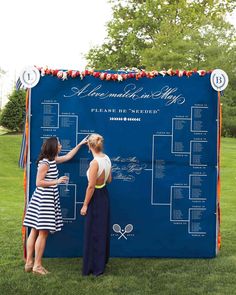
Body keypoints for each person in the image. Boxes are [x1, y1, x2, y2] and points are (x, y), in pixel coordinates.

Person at [23, 136, 87, 275]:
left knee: (34, 230)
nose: (60, 146)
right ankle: (37, 266)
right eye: (58, 144)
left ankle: (29, 263)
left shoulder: (52, 160)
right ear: (53, 146)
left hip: (42, 199)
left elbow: (68, 156)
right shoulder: (45, 163)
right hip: (44, 200)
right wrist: (56, 181)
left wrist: (80, 144)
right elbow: (38, 182)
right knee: (42, 232)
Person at [80, 133, 112, 276]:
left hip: (95, 198)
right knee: (101, 231)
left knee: (93, 233)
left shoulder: (94, 163)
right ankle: (100, 264)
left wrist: (85, 205)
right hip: (104, 195)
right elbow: (109, 179)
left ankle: (94, 268)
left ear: (89, 146)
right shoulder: (107, 158)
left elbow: (91, 187)